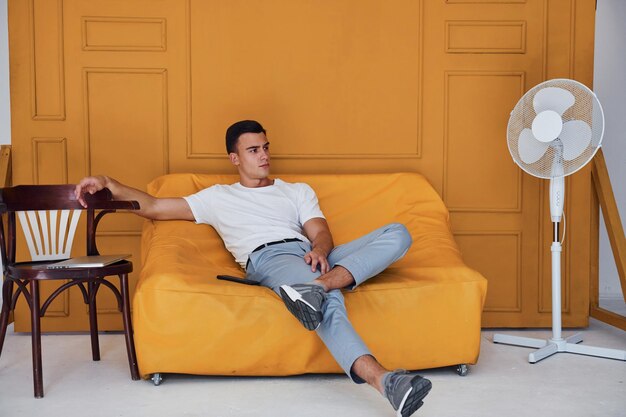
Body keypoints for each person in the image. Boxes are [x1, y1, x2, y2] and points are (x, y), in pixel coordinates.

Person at [75, 120, 432, 416]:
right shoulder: (218, 197)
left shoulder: (296, 191)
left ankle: (317, 287)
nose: (264, 156)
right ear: (234, 158)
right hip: (270, 259)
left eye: (265, 147)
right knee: (331, 305)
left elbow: (320, 231)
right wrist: (109, 184)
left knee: (398, 234)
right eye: (253, 150)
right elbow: (153, 206)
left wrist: (320, 252)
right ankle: (387, 382)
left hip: (312, 255)